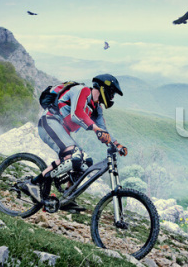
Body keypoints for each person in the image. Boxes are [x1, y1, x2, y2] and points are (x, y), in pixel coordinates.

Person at [17, 73, 128, 213]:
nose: (112, 98)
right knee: (74, 155)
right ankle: (32, 183)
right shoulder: (82, 91)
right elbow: (76, 114)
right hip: (49, 122)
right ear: (103, 88)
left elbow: (103, 131)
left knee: (86, 161)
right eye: (112, 93)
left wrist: (117, 144)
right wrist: (95, 129)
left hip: (62, 132)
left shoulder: (97, 108)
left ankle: (67, 198)